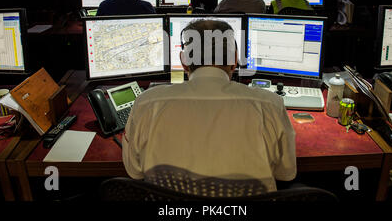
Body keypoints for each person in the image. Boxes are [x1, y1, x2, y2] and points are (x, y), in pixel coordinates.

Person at [122, 19, 296, 193]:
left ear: (183, 61)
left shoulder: (146, 103)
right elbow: (286, 173)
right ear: (235, 60)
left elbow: (135, 172)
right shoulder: (270, 104)